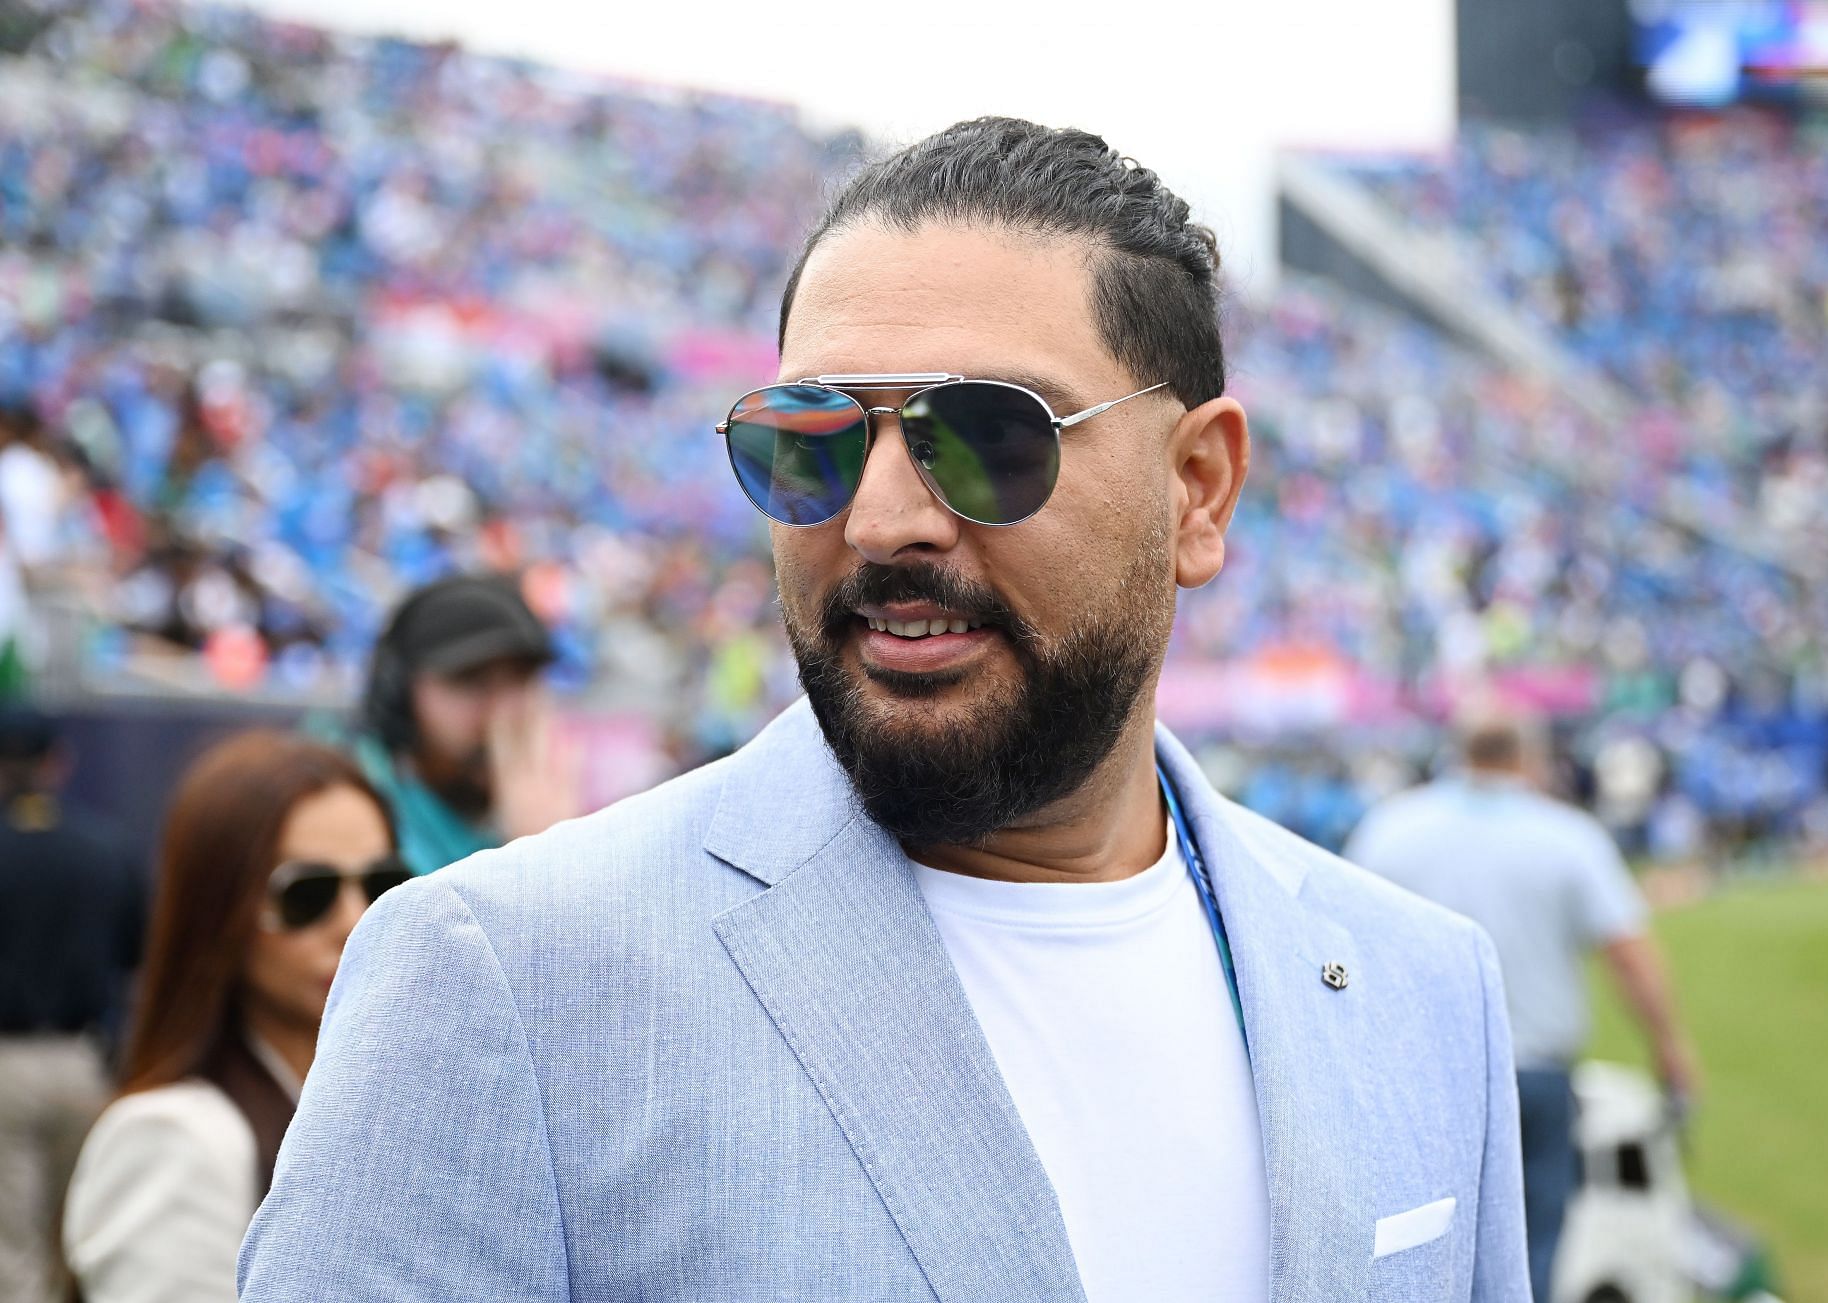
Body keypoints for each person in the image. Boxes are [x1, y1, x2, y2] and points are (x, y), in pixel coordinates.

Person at [241, 118, 1529, 1302]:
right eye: (811, 441)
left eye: (986, 437)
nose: (882, 520)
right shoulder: (502, 984)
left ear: (1197, 488)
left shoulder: (1425, 988)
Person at [1345, 712, 1699, 1303]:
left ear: (1458, 753)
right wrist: (1670, 1045)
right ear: (1529, 759)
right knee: (1530, 1256)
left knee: (1419, 1246)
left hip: (1419, 1076)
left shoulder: (1391, 829)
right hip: (1532, 1072)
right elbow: (1630, 955)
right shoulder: (1566, 836)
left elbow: (1343, 940)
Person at [63, 733, 404, 1303]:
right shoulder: (176, 1139)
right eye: (305, 894)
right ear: (220, 911)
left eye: (383, 885)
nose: (356, 922)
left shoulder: (383, 1112)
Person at [0, 706, 144, 1303]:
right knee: (80, 1244)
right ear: (57, 763)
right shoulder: (107, 849)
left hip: (4, 1067)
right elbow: (136, 958)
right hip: (85, 1062)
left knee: (11, 1253)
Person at [349, 573, 580, 873]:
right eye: (471, 681)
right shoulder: (355, 810)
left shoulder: (538, 803)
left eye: (521, 680)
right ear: (400, 694)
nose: (503, 713)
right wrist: (537, 861)